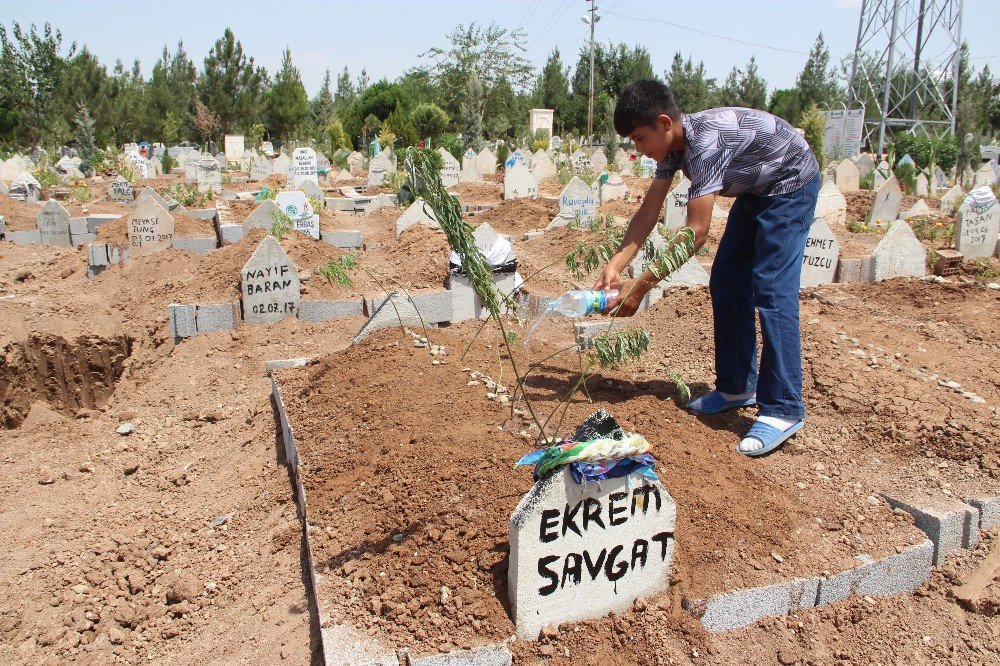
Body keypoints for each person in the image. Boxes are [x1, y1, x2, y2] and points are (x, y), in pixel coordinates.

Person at [594, 79, 820, 457]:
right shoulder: (672, 148)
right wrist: (617, 263)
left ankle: (783, 407)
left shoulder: (706, 145)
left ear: (664, 123)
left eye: (638, 138)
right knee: (727, 280)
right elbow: (650, 210)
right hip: (756, 190)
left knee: (771, 287)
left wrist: (641, 287)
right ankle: (737, 387)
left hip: (790, 184)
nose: (638, 149)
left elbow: (697, 233)